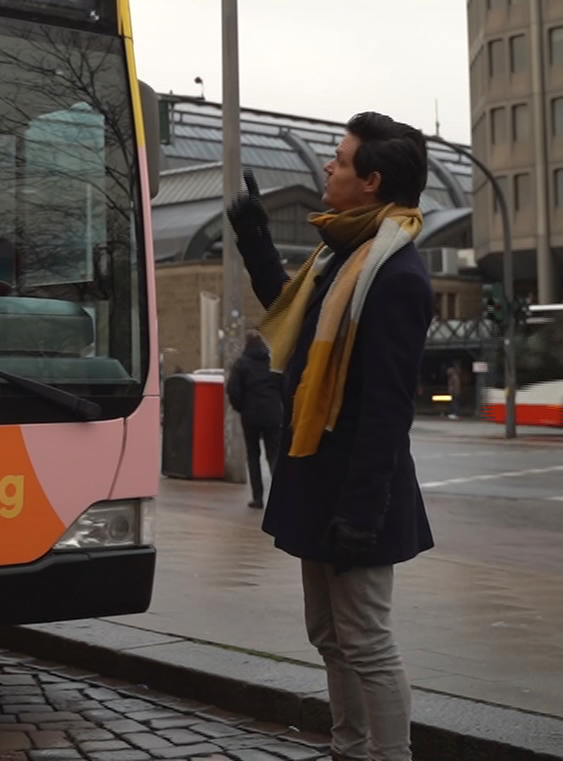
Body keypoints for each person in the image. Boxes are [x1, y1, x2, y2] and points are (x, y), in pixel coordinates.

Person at [227, 112, 434, 761]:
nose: (327, 168)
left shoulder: (395, 276)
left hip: (355, 491)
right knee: (329, 634)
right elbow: (290, 313)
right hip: (316, 472)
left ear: (370, 181)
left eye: (338, 161)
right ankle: (348, 748)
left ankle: (389, 755)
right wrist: (256, 238)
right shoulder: (339, 255)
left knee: (366, 638)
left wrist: (362, 512)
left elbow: (386, 409)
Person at [226, 329, 286, 508]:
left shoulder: (242, 364)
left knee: (253, 456)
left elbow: (233, 389)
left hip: (250, 415)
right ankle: (279, 497)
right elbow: (284, 385)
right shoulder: (272, 362)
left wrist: (241, 407)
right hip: (273, 414)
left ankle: (258, 498)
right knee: (273, 455)